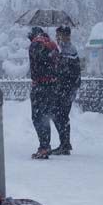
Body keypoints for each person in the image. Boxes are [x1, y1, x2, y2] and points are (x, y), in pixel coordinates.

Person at [28, 26, 59, 159]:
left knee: (37, 117)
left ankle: (44, 146)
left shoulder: (35, 44)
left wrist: (37, 77)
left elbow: (37, 63)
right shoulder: (52, 44)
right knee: (45, 116)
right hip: (52, 86)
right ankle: (46, 145)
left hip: (40, 86)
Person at [51, 25, 81, 155]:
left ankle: (65, 144)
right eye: (56, 35)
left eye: (59, 35)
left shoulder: (69, 51)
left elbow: (66, 72)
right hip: (65, 89)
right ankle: (65, 143)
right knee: (60, 116)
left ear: (66, 36)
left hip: (66, 89)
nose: (57, 38)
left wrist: (57, 61)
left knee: (60, 116)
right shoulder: (63, 49)